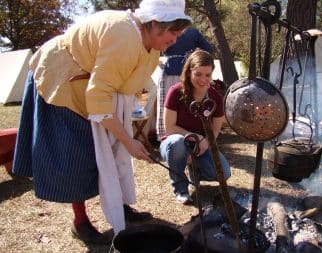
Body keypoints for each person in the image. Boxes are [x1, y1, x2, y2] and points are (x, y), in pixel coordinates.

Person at [12, 0, 192, 244]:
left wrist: (124, 137)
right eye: (172, 32)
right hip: (62, 77)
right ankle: (80, 221)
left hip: (94, 88)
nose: (175, 39)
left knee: (113, 149)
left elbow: (126, 84)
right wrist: (129, 142)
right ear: (154, 24)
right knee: (78, 154)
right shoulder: (123, 35)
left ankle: (119, 205)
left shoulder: (148, 41)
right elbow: (98, 95)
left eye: (178, 33)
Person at [159, 49, 231, 204]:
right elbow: (170, 128)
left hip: (202, 145)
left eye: (207, 75)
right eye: (198, 74)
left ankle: (194, 170)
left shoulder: (215, 97)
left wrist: (205, 143)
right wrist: (195, 137)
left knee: (223, 173)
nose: (203, 79)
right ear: (189, 72)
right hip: (175, 143)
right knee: (178, 143)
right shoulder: (176, 92)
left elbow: (216, 129)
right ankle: (180, 188)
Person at [156, 27, 213, 141]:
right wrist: (195, 56)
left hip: (171, 70)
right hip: (190, 73)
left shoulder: (166, 30)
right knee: (186, 104)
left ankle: (168, 135)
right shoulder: (193, 32)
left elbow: (154, 48)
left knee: (169, 104)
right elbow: (208, 49)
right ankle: (190, 134)